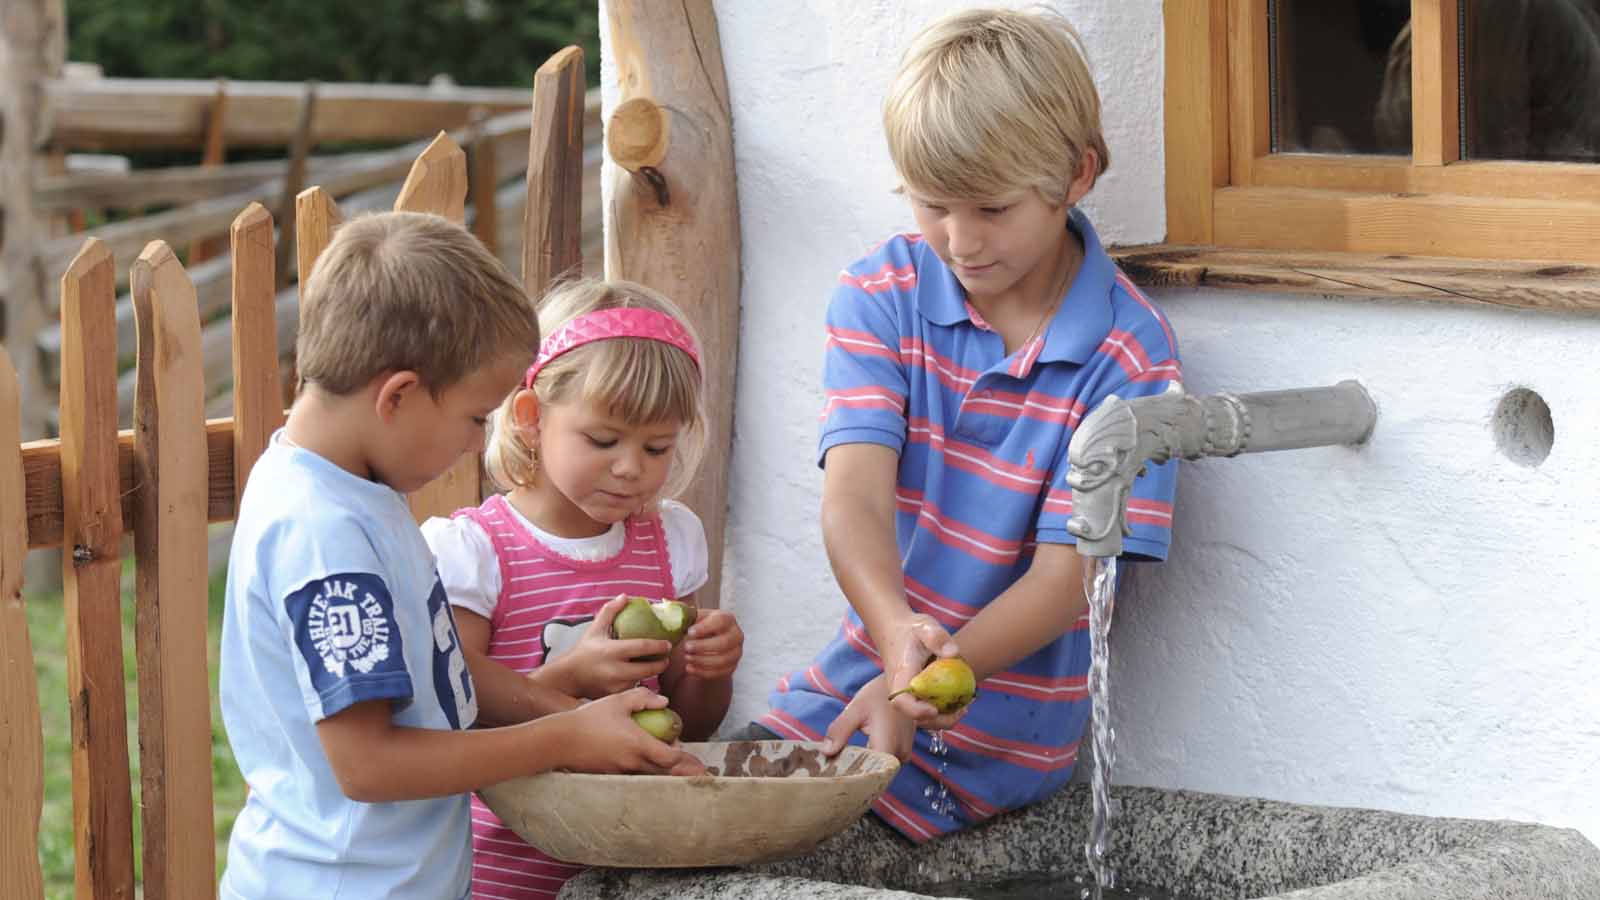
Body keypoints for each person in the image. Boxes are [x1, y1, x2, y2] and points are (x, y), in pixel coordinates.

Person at [730, 8, 1183, 842]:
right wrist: (896, 633)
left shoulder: (1129, 353)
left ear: (1076, 175)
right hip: (850, 697)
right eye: (932, 205)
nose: (961, 242)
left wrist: (921, 685)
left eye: (991, 209)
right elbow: (853, 502)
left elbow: (1064, 584)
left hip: (992, 754)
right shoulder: (882, 295)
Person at [218, 213, 701, 900]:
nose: (481, 443)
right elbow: (369, 764)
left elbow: (437, 670)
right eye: (477, 417)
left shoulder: (355, 489)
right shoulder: (324, 539)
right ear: (399, 395)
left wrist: (561, 710)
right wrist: (562, 741)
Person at [422, 277, 745, 900]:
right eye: (603, 440)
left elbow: (691, 722)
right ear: (530, 418)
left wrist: (711, 667)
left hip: (632, 870)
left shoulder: (669, 540)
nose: (631, 468)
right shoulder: (480, 551)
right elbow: (455, 690)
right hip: (498, 871)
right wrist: (571, 678)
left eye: (657, 447)